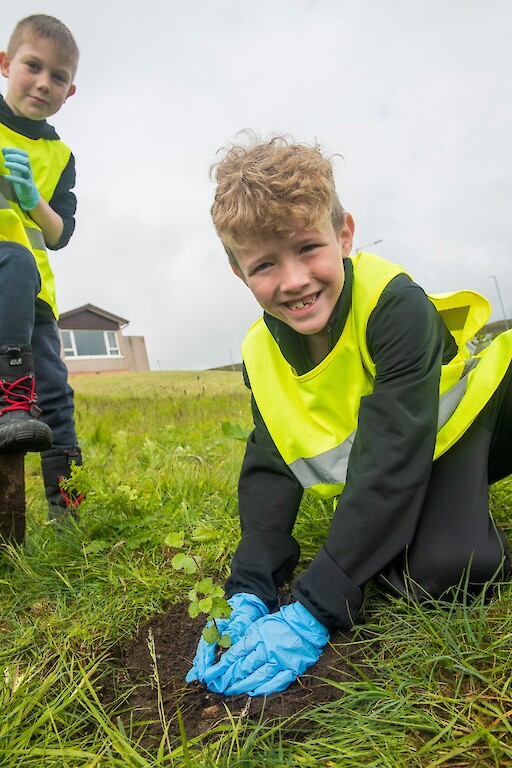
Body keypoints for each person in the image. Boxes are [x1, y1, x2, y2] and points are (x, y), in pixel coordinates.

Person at [187, 134, 512, 697]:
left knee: (451, 565)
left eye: (308, 248)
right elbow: (269, 463)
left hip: (474, 426)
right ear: (240, 273)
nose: (293, 280)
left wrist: (317, 603)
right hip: (410, 456)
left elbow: (390, 460)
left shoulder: (393, 303)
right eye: (265, 263)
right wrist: (250, 586)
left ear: (344, 234)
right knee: (403, 565)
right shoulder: (259, 354)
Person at [0, 14, 83, 519]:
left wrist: (33, 200)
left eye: (58, 76)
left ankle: (69, 507)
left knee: (55, 394)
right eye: (33, 66)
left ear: (70, 92)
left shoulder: (59, 154)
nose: (43, 82)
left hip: (33, 300)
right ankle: (11, 399)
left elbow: (60, 233)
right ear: (6, 64)